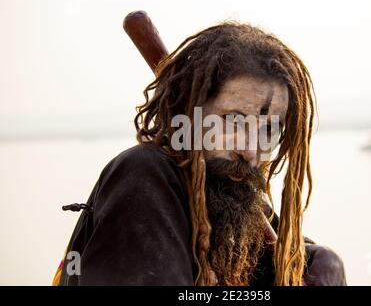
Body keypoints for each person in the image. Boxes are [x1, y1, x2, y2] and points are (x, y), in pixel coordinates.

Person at [54, 23, 346, 286]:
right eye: (233, 121)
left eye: (268, 130)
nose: (249, 150)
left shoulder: (233, 197)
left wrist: (319, 261)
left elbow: (279, 266)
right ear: (188, 113)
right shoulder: (144, 176)